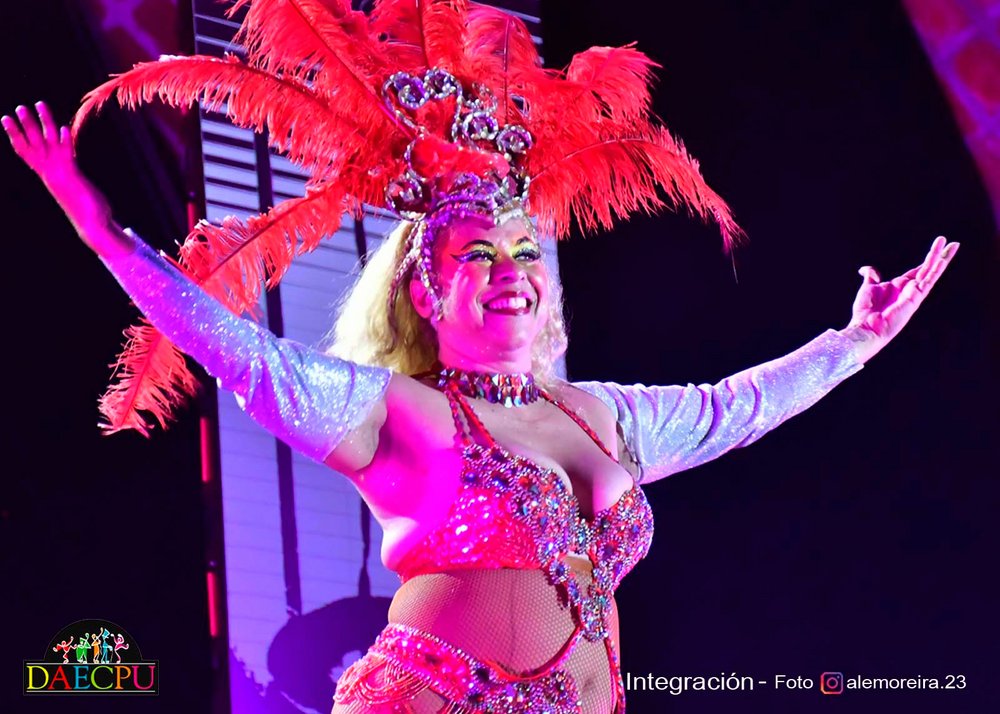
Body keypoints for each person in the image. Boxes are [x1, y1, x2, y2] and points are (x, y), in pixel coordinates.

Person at [3, 2, 957, 712]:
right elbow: (242, 354)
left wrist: (854, 342)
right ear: (426, 291)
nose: (512, 275)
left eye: (525, 252)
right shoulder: (398, 414)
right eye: (478, 257)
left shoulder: (601, 415)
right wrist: (104, 235)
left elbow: (733, 409)